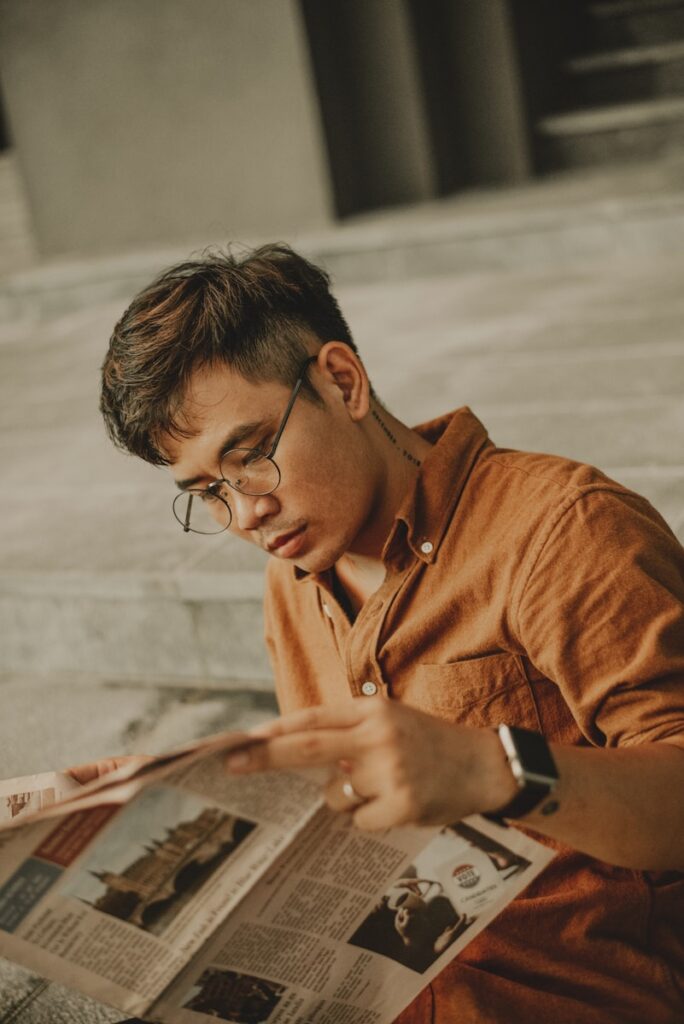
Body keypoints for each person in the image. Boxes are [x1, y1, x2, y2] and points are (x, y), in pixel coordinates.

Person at [98, 244, 684, 1023]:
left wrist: (495, 771)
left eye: (249, 458)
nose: (244, 514)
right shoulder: (294, 578)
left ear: (342, 381)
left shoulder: (561, 529)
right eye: (207, 492)